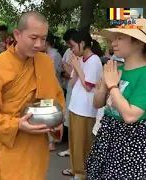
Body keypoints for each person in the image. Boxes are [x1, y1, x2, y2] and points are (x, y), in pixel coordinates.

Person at [0, 11, 65, 180]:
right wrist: (17, 124)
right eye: (33, 38)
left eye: (44, 39)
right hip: (10, 147)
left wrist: (57, 120)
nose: (39, 44)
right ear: (17, 34)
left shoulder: (45, 62)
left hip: (38, 146)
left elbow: (56, 97)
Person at [86, 19, 146, 179]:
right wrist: (104, 87)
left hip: (130, 144)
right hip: (106, 137)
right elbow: (97, 103)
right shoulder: (115, 70)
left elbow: (130, 116)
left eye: (120, 38)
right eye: (114, 38)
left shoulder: (144, 74)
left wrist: (112, 86)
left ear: (139, 43)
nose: (114, 42)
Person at [61, 29, 104, 179]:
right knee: (74, 143)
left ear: (82, 44)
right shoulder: (79, 59)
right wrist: (73, 69)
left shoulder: (94, 60)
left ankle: (81, 174)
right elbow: (73, 83)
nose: (71, 49)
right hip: (75, 107)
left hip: (85, 110)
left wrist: (78, 68)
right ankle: (75, 169)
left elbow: (88, 86)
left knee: (82, 144)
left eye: (73, 46)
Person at [58, 28, 78, 157]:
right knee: (69, 120)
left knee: (76, 123)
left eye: (71, 45)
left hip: (79, 93)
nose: (70, 48)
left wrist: (71, 72)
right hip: (71, 90)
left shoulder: (90, 59)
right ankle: (72, 149)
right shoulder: (69, 52)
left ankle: (75, 151)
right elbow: (64, 69)